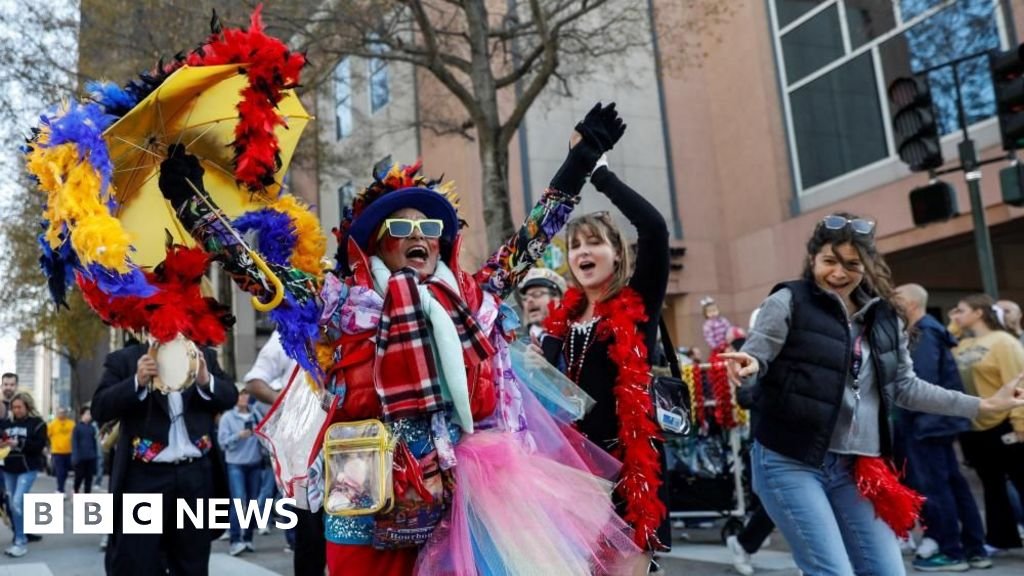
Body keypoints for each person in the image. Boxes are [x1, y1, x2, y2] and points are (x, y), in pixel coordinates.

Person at [161, 103, 643, 575]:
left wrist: (577, 166)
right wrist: (196, 209)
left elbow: (529, 242)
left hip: (457, 495)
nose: (420, 236)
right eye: (403, 227)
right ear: (376, 243)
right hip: (364, 490)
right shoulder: (341, 301)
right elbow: (262, 276)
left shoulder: (471, 297)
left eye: (430, 227)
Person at [720, 213, 1024, 575]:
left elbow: (905, 386)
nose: (839, 273)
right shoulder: (789, 300)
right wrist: (750, 364)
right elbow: (759, 351)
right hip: (789, 460)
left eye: (852, 264)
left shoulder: (885, 317)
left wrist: (984, 404)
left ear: (867, 265)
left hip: (855, 466)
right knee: (833, 571)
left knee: (887, 571)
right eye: (829, 261)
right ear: (813, 259)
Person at [542, 137, 671, 555]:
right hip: (572, 476)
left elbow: (654, 229)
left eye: (594, 242)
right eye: (575, 245)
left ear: (617, 254)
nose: (583, 251)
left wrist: (599, 174)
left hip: (627, 478)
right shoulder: (559, 323)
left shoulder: (638, 304)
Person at [91, 339, 237, 576]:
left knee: (193, 564)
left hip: (194, 476)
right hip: (144, 478)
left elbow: (230, 395)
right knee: (138, 562)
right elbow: (100, 408)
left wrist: (205, 380)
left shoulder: (202, 355)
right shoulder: (125, 359)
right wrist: (136, 381)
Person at [892, 284, 988, 570]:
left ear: (909, 305)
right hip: (936, 422)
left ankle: (951, 551)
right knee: (954, 485)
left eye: (895, 303)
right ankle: (973, 548)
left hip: (927, 424)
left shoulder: (923, 334)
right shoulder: (932, 331)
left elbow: (921, 385)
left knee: (937, 487)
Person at [952, 293, 1024, 551]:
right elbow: (944, 342)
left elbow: (1019, 382)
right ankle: (1001, 538)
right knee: (992, 486)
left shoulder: (1003, 342)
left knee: (1020, 480)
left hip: (1005, 423)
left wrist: (1020, 423)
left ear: (978, 313)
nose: (955, 316)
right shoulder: (961, 344)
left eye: (960, 310)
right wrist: (954, 325)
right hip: (975, 426)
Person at [0, 391, 47, 558]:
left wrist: (18, 442)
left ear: (27, 406)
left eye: (19, 407)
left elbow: (39, 446)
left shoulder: (37, 423)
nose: (16, 410)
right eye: (13, 407)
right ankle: (21, 536)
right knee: (14, 505)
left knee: (17, 502)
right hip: (9, 468)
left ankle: (20, 542)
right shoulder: (5, 423)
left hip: (28, 469)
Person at [218, 387, 264, 556]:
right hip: (235, 464)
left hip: (255, 463)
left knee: (252, 502)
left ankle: (248, 538)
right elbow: (222, 443)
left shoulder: (256, 414)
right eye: (239, 394)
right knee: (238, 502)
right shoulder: (227, 417)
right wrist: (239, 436)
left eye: (245, 393)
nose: (243, 397)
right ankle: (235, 540)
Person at [517, 267, 566, 340]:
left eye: (537, 294)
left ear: (557, 299)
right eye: (525, 298)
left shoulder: (573, 339)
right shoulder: (516, 346)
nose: (529, 300)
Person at [71, 406, 99, 494]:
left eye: (90, 414)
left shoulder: (92, 428)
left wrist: (95, 455)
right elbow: (74, 443)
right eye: (87, 414)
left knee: (89, 479)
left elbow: (94, 442)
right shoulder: (77, 428)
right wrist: (75, 456)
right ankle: (75, 490)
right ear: (82, 415)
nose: (89, 416)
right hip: (80, 457)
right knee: (79, 477)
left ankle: (87, 496)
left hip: (91, 456)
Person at [47, 407, 74, 496]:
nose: (61, 414)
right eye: (60, 413)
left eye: (63, 413)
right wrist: (47, 448)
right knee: (59, 471)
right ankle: (60, 489)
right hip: (57, 451)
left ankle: (62, 488)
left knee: (66, 472)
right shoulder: (52, 424)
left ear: (66, 414)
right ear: (57, 413)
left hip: (69, 451)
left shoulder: (71, 424)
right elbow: (47, 436)